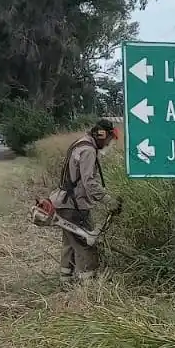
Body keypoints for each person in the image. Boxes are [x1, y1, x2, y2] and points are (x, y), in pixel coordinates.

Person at [50, 119, 122, 283]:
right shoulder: (88, 150)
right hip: (75, 206)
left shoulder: (80, 143)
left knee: (70, 242)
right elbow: (89, 182)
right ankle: (88, 285)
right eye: (109, 139)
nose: (109, 143)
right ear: (102, 135)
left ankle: (65, 280)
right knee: (86, 243)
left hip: (64, 203)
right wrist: (108, 201)